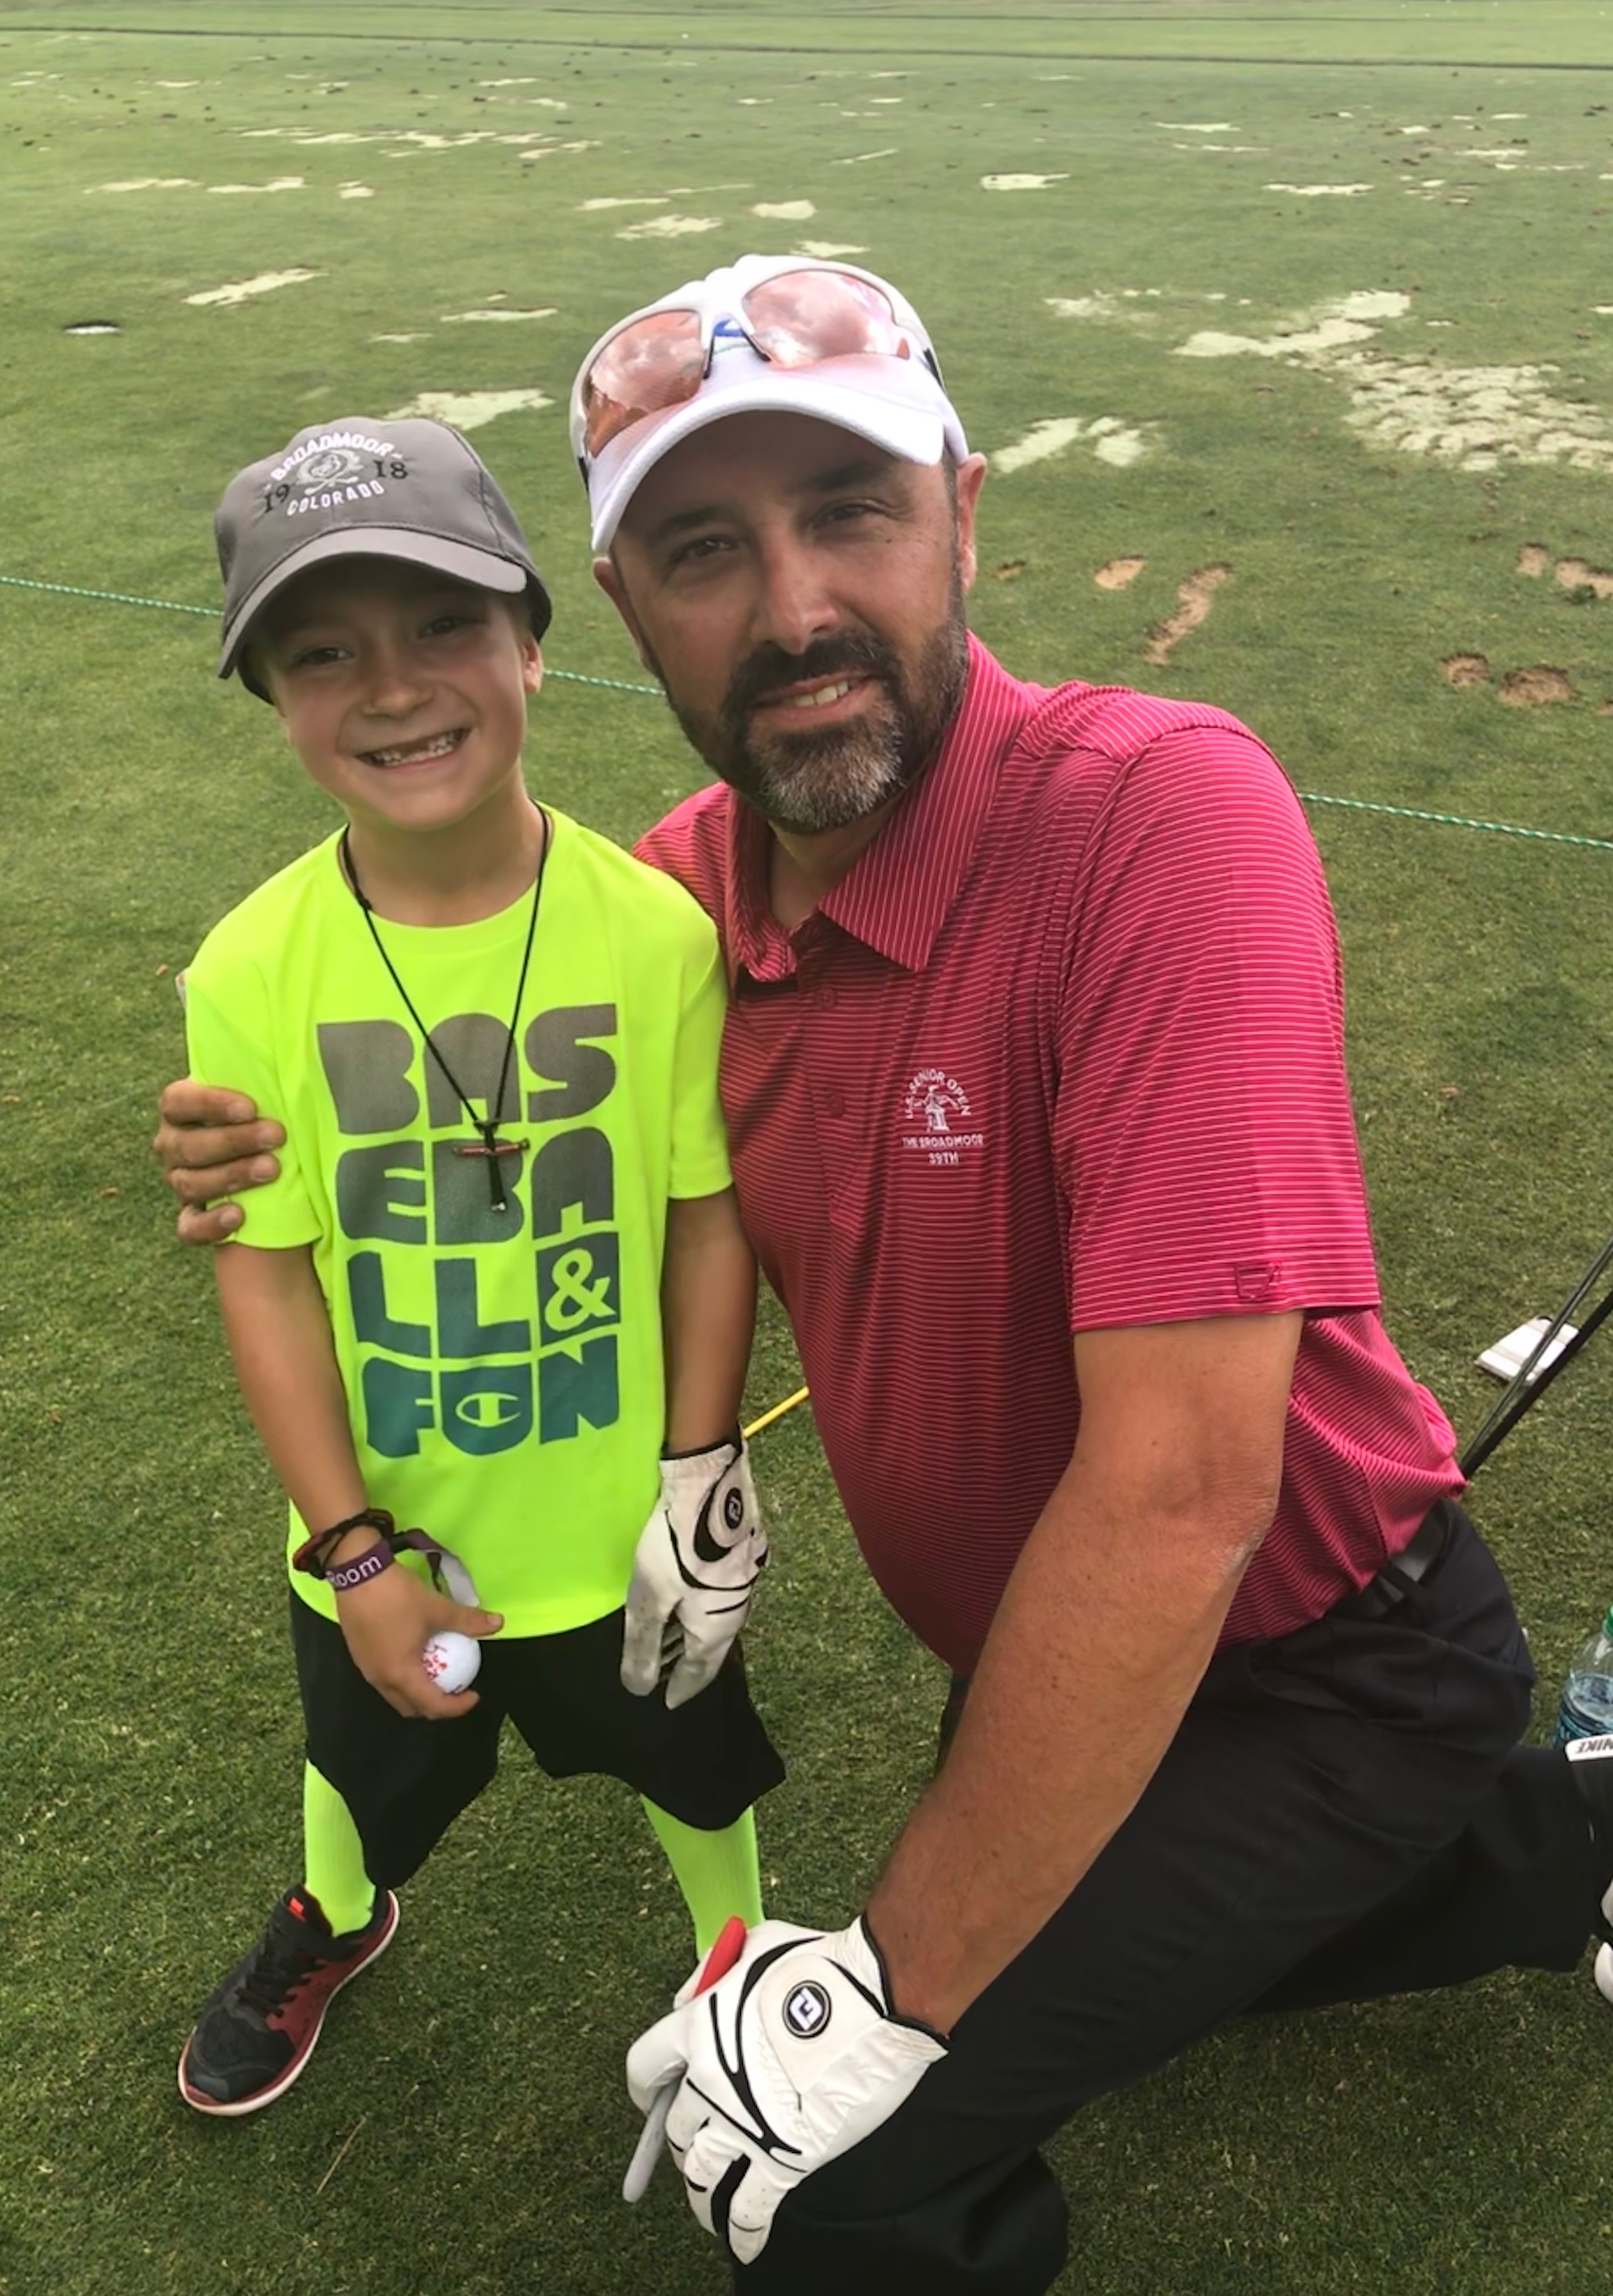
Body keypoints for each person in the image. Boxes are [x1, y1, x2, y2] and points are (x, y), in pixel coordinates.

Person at [155, 262, 1613, 2285]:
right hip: (1040, 1653)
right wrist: (246, 1140)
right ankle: (1574, 1838)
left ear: (964, 509)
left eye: (849, 510)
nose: (793, 609)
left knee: (834, 2170)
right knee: (1194, 1951)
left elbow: (1188, 1492)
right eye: (699, 551)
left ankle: (1491, 1823)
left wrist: (894, 1989)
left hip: (1325, 1660)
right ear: (623, 605)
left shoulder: (1156, 817)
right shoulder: (668, 903)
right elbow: (465, 1036)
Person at [169, 414, 781, 2119]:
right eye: (322, 652)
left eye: (443, 625)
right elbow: (267, 1273)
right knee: (360, 1763)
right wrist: (351, 1549)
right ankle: (336, 1917)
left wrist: (700, 1464)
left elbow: (704, 1213)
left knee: (692, 1755)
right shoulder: (251, 968)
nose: (391, 688)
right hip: (392, 1521)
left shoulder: (654, 931)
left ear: (531, 635)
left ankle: (737, 1965)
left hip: (623, 1524)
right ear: (275, 701)